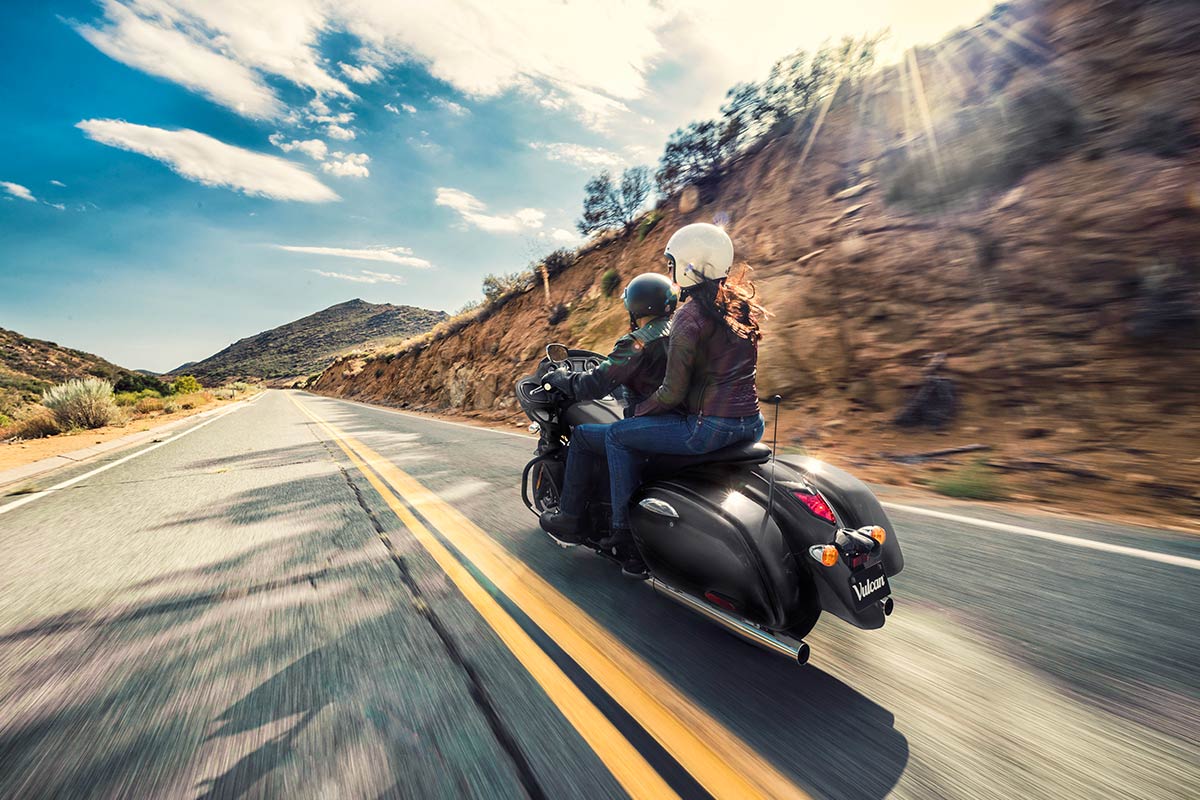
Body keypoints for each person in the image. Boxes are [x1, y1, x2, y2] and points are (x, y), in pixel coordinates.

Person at [602, 223, 767, 575]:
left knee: (617, 436)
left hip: (709, 429)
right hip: (753, 424)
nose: (670, 271)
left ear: (689, 264)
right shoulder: (738, 307)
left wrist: (637, 412)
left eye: (671, 263)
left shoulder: (688, 316)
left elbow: (671, 392)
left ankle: (625, 539)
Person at [538, 273, 678, 544]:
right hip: (681, 422)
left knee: (582, 436)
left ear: (636, 306)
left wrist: (560, 378)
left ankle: (570, 517)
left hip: (650, 425)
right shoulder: (681, 332)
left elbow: (592, 385)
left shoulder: (638, 341)